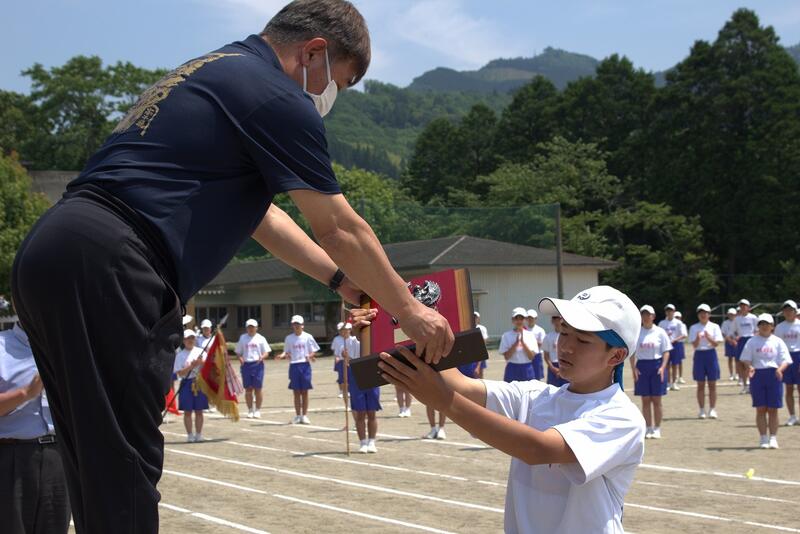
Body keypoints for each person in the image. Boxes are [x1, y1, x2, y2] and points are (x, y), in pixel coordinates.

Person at [10, 1, 454, 530]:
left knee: (94, 458)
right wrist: (409, 309)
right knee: (124, 466)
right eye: (341, 81)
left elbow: (262, 218)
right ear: (314, 52)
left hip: (52, 250)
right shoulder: (277, 96)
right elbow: (338, 226)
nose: (332, 96)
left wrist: (339, 279)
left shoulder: (212, 71)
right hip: (114, 261)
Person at [377, 285, 645, 533]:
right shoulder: (536, 395)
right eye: (564, 332)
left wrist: (445, 401)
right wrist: (393, 325)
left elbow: (538, 449)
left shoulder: (621, 416)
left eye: (582, 340)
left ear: (616, 355)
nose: (565, 346)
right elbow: (460, 385)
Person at [0, 322, 70, 534]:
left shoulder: (66, 348)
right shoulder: (2, 345)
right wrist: (26, 393)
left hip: (58, 458)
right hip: (12, 458)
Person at [740, 313, 792, 449]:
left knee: (773, 409)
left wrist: (780, 369)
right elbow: (746, 358)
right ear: (758, 326)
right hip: (758, 375)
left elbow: (786, 359)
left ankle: (773, 437)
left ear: (772, 326)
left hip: (773, 375)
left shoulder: (778, 341)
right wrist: (749, 366)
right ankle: (763, 438)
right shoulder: (752, 341)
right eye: (762, 324)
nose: (764, 326)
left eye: (767, 324)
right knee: (761, 408)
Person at [632, 305, 672, 439]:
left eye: (648, 314)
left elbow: (666, 351)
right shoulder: (637, 332)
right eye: (643, 314)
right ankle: (648, 427)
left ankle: (657, 428)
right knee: (645, 400)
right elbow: (632, 352)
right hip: (642, 366)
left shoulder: (660, 332)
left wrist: (663, 367)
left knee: (656, 399)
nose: (645, 317)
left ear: (653, 316)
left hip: (657, 365)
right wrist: (634, 368)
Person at [279, 315, 320, 424]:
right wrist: (283, 355)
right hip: (294, 366)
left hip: (305, 366)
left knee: (305, 391)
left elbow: (314, 350)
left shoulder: (308, 337)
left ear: (302, 325)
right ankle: (298, 415)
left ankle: (304, 415)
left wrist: (310, 356)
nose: (296, 326)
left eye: (298, 324)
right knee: (296, 391)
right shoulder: (289, 338)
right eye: (294, 324)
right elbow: (286, 351)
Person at [173, 330, 209, 442]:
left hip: (199, 382)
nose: (190, 340)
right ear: (183, 340)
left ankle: (199, 434)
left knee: (199, 410)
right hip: (186, 382)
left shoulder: (201, 352)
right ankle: (190, 435)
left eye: (192, 338)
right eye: (188, 338)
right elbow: (179, 373)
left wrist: (200, 363)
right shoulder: (180, 355)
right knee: (187, 411)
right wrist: (191, 366)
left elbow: (208, 366)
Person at [689, 304, 724, 419]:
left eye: (705, 313)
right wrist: (698, 338)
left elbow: (716, 343)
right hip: (699, 354)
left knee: (712, 384)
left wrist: (709, 338)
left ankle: (712, 409)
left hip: (711, 354)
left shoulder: (714, 326)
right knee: (700, 384)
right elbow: (694, 345)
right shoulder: (694, 327)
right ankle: (702, 409)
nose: (703, 315)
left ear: (709, 314)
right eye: (701, 313)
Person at [774, 300, 800, 426]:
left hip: (799, 356)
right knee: (788, 388)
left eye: (791, 310)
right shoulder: (780, 327)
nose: (788, 312)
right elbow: (777, 346)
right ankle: (792, 416)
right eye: (786, 310)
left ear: (795, 311)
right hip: (786, 358)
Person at [499, 308, 539, 382]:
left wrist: (523, 343)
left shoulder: (530, 335)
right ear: (512, 320)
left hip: (527, 368)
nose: (519, 321)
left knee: (528, 389)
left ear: (525, 320)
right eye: (516, 318)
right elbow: (507, 357)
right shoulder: (506, 335)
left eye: (521, 318)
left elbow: (531, 357)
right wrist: (516, 343)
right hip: (512, 368)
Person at [659, 304, 686, 391]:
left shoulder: (678, 322)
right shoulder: (662, 323)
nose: (669, 312)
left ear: (674, 311)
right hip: (665, 346)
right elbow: (659, 335)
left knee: (675, 365)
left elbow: (684, 334)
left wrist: (674, 339)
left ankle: (673, 383)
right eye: (667, 310)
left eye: (671, 310)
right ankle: (667, 383)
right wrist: (666, 336)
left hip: (675, 345)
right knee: (666, 365)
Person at [734, 299, 759, 393]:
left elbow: (757, 329)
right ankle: (745, 385)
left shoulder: (753, 317)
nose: (743, 307)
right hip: (741, 340)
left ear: (748, 307)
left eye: (745, 305)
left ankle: (753, 384)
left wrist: (755, 338)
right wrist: (734, 339)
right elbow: (733, 331)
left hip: (751, 339)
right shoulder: (737, 319)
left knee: (752, 363)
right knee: (741, 363)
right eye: (741, 306)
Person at [543, 315, 567, 387]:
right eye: (555, 319)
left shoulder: (567, 336)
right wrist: (552, 368)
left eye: (558, 319)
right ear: (552, 321)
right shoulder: (548, 336)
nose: (557, 321)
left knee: (567, 389)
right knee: (552, 389)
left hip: (565, 365)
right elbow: (546, 355)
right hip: (553, 366)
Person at [526, 309, 547, 380]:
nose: (530, 319)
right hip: (526, 355)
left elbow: (542, 343)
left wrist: (530, 343)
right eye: (528, 318)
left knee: (537, 376)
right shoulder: (523, 329)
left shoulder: (540, 330)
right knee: (527, 376)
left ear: (535, 318)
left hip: (537, 355)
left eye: (532, 318)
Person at [721, 308, 738, 381]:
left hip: (737, 342)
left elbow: (739, 332)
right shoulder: (725, 323)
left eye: (733, 314)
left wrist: (735, 340)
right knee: (730, 358)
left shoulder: (737, 322)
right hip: (728, 342)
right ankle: (731, 374)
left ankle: (737, 374)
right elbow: (723, 333)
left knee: (737, 359)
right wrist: (729, 340)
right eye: (730, 314)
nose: (731, 315)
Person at [331, 322, 347, 399]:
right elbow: (335, 350)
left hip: (348, 360)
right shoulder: (336, 339)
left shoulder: (350, 338)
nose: (341, 331)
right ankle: (341, 391)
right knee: (341, 377)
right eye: (340, 330)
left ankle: (348, 391)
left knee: (349, 376)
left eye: (343, 329)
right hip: (340, 360)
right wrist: (336, 357)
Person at [674, 311, 688, 383]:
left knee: (679, 361)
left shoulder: (682, 325)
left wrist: (676, 339)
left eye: (678, 317)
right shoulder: (672, 324)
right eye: (676, 317)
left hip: (679, 344)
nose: (677, 318)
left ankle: (680, 377)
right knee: (672, 363)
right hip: (672, 343)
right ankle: (675, 376)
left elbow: (684, 335)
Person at [474, 311, 489, 379]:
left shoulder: (482, 328)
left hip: (480, 353)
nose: (474, 319)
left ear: (478, 319)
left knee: (480, 374)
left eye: (475, 317)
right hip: (471, 354)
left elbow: (484, 342)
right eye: (473, 317)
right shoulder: (467, 327)